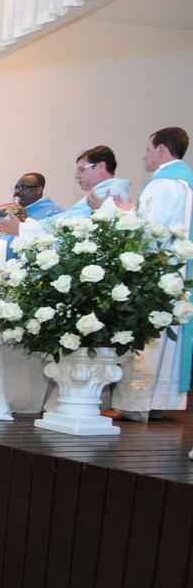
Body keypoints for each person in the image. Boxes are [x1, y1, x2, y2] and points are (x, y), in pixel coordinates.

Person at [100, 127, 193, 421]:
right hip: (178, 269)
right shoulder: (185, 183)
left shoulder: (162, 185)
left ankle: (136, 404)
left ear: (163, 150)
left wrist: (122, 213)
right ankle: (158, 402)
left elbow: (149, 232)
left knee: (149, 335)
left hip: (158, 270)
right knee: (168, 336)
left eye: (148, 149)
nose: (144, 156)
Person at [50, 146, 131, 223]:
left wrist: (39, 225)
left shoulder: (110, 192)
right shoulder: (103, 191)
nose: (77, 176)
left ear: (101, 166)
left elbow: (68, 222)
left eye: (82, 170)